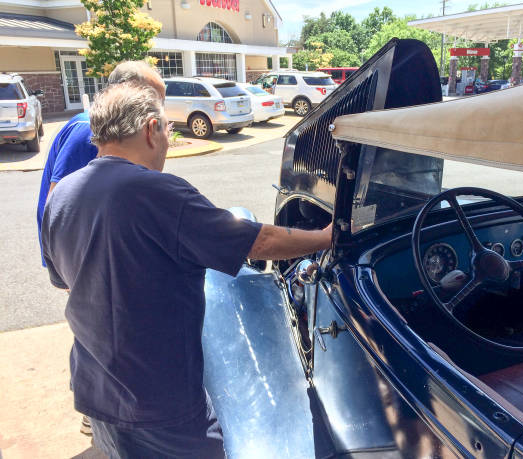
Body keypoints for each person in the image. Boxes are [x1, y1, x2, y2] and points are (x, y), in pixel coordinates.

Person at [40, 81, 331, 458]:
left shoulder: (61, 194)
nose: (167, 142)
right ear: (150, 129)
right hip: (159, 403)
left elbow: (64, 279)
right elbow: (259, 243)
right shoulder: (159, 193)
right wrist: (325, 237)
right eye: (167, 131)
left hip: (96, 393)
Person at [36, 60, 166, 267]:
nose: (160, 110)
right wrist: (72, 272)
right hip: (79, 259)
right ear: (125, 92)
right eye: (155, 100)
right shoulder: (90, 130)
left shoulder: (125, 131)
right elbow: (60, 206)